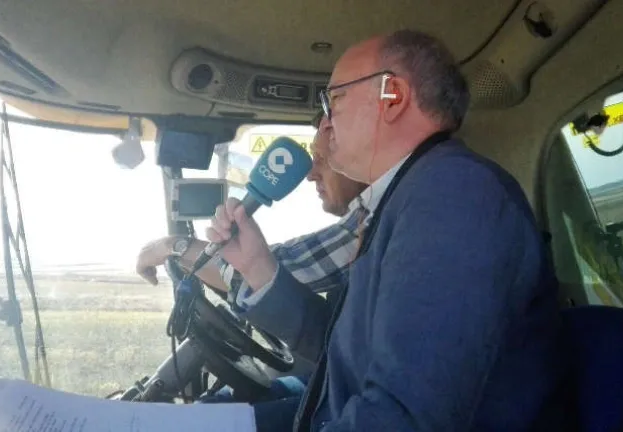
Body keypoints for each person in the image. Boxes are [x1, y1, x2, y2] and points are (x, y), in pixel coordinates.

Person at [206, 29, 565, 431]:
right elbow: (348, 353)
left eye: (334, 99)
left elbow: (403, 417)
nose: (326, 122)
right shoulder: (408, 195)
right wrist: (258, 268)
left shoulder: (454, 194)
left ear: (392, 96)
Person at [135, 111, 368, 404]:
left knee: (206, 413)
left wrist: (174, 246)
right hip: (337, 376)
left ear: (360, 156)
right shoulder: (364, 222)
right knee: (216, 405)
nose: (310, 174)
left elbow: (269, 273)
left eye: (322, 158)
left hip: (351, 392)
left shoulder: (370, 222)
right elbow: (259, 270)